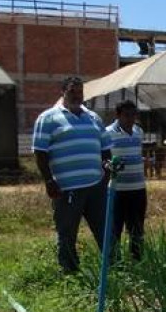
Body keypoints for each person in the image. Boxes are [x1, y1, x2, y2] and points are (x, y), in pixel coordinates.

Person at [32, 76, 112, 274]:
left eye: (80, 92)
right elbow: (40, 152)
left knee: (105, 230)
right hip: (67, 188)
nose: (77, 96)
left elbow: (105, 149)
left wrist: (106, 174)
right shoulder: (48, 118)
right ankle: (70, 272)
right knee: (67, 233)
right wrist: (49, 181)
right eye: (72, 92)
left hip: (96, 186)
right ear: (63, 92)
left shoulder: (93, 118)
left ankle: (112, 268)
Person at [106, 99, 147, 260]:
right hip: (118, 189)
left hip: (138, 188)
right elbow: (104, 159)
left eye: (133, 115)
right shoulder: (108, 133)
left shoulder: (138, 131)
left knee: (137, 228)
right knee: (115, 228)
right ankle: (114, 262)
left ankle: (137, 260)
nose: (130, 119)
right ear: (118, 115)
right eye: (126, 115)